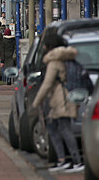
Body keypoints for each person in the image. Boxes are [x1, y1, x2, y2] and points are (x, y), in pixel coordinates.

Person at [32, 37, 84, 174]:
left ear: (50, 48)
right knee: (56, 127)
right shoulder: (67, 58)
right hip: (64, 98)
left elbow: (47, 84)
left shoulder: (54, 62)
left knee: (62, 128)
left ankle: (74, 160)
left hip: (61, 99)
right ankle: (64, 160)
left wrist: (36, 102)